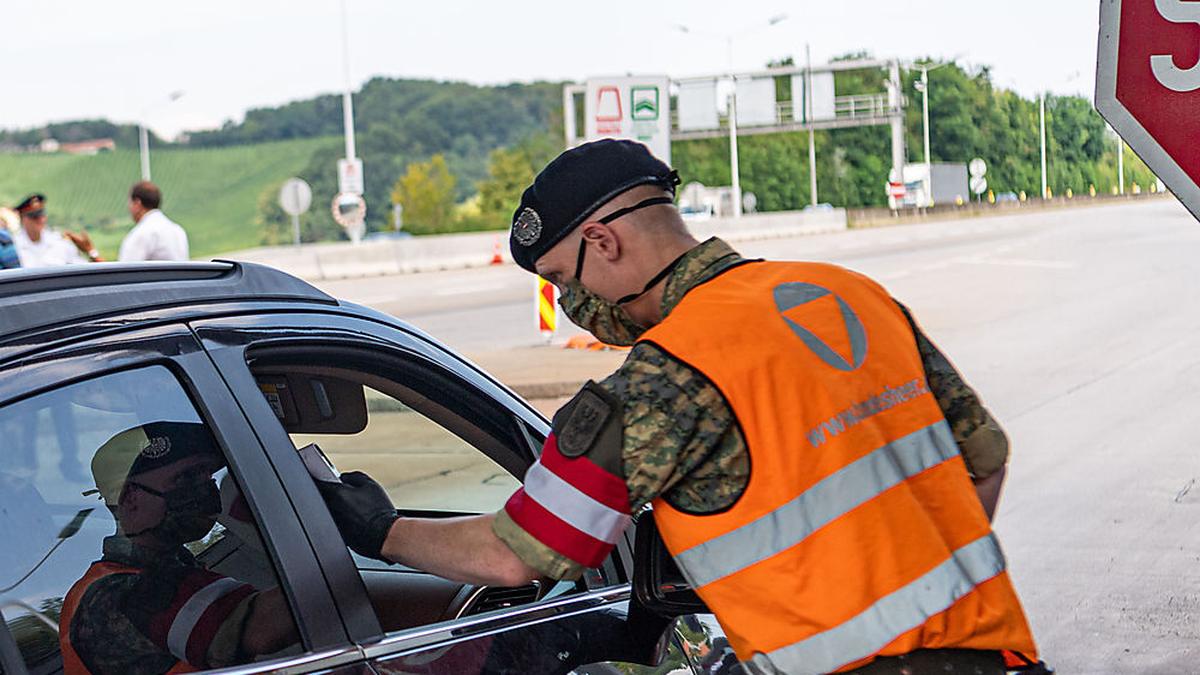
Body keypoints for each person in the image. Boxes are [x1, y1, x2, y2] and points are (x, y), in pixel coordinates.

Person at [317, 139, 1042, 674]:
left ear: (603, 241)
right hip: (1000, 653)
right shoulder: (846, 293)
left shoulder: (664, 378)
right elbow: (985, 459)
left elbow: (516, 553)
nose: (572, 307)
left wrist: (380, 529)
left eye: (563, 281)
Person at [61, 421, 297, 675]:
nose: (206, 488)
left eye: (207, 475)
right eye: (185, 477)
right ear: (130, 498)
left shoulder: (175, 567)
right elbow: (262, 626)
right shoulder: (113, 595)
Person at [11, 194, 102, 267]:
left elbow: (82, 269)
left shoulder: (60, 242)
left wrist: (91, 251)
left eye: (42, 214)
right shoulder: (12, 246)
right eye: (34, 216)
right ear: (22, 218)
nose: (41, 220)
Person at [119, 181, 189, 262]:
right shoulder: (178, 230)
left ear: (137, 203)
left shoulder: (141, 234)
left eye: (130, 203)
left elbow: (125, 270)